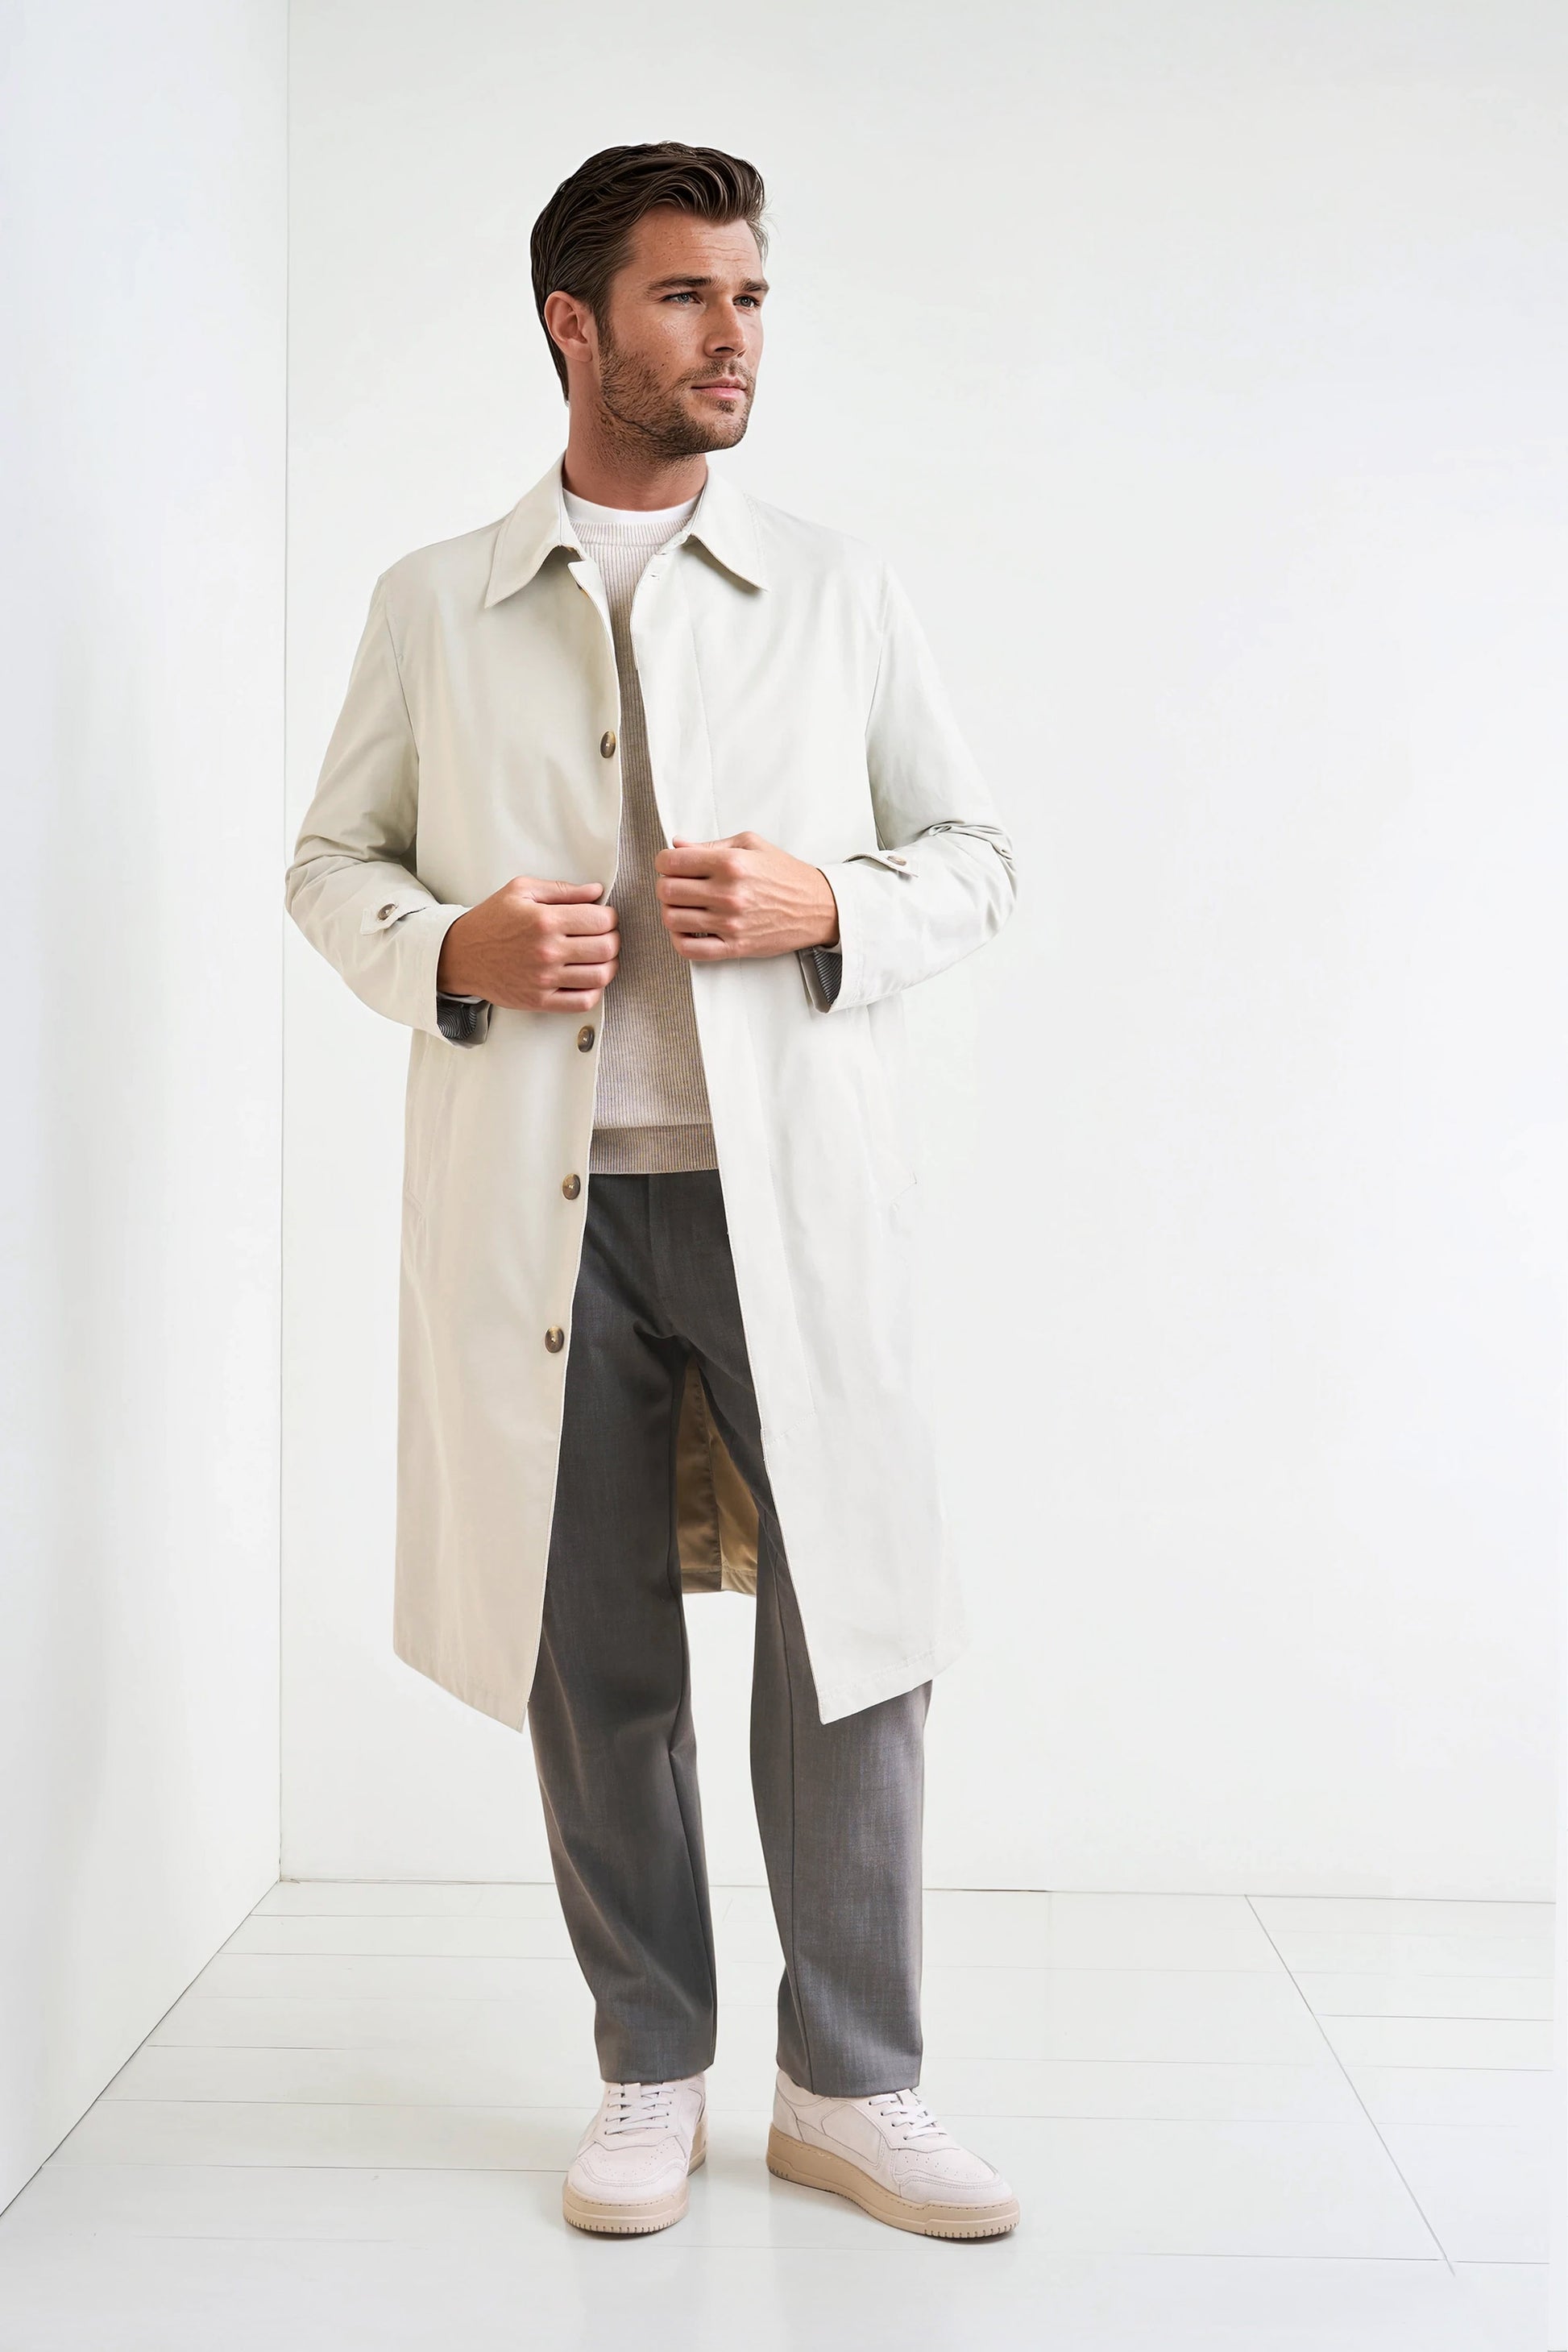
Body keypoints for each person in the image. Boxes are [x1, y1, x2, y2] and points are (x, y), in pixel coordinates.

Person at [285, 141, 1019, 2242]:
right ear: (574, 324)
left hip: (790, 1202)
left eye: (752, 297)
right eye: (689, 297)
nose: (734, 338)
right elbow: (329, 865)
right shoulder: (433, 599)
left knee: (853, 1639)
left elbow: (975, 857)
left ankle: (851, 2086)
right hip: (544, 1208)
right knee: (588, 1654)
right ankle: (649, 2067)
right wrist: (453, 946)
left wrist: (826, 904)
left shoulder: (839, 590)